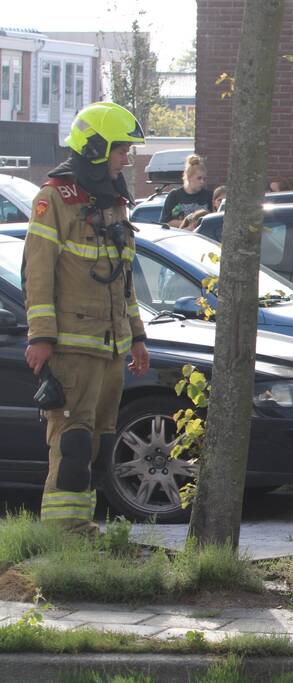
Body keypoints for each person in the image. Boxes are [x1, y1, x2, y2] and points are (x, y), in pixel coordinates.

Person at [22, 101, 150, 535]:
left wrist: (137, 336)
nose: (125, 160)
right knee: (72, 441)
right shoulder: (54, 199)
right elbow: (37, 273)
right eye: (120, 150)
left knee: (97, 441)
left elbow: (123, 279)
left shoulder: (113, 203)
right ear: (95, 148)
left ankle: (80, 526)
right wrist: (41, 336)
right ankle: (62, 537)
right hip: (73, 345)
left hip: (110, 345)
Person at [160, 154, 213, 227]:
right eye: (199, 178)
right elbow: (165, 221)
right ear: (188, 177)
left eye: (204, 179)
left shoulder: (208, 196)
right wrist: (188, 223)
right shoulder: (175, 196)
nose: (202, 181)